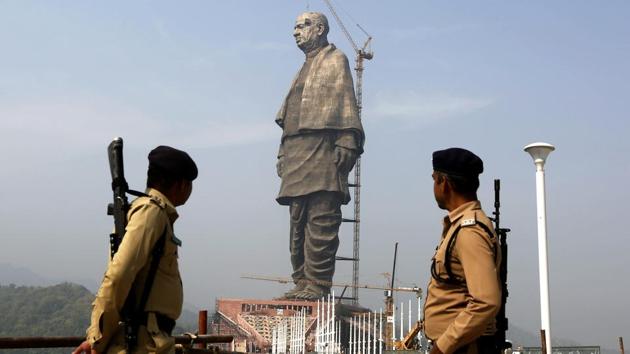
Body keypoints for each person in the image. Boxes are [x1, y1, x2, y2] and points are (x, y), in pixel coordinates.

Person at [73, 145, 198, 354]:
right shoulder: (151, 213)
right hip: (141, 345)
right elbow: (119, 276)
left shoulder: (150, 212)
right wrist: (97, 341)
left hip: (147, 341)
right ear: (180, 184)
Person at [275, 12, 365, 300]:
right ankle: (301, 280)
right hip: (296, 151)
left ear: (320, 29)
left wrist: (347, 141)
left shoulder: (335, 59)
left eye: (302, 26)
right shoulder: (301, 69)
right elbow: (289, 115)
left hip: (323, 148)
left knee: (322, 217)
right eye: (295, 26)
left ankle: (318, 283)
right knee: (297, 220)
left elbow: (346, 102)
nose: (296, 32)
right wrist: (281, 153)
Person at [424, 148, 502, 354]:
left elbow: (486, 301)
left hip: (463, 347)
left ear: (445, 183)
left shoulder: (469, 232)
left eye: (435, 179)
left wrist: (443, 346)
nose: (434, 186)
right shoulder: (458, 226)